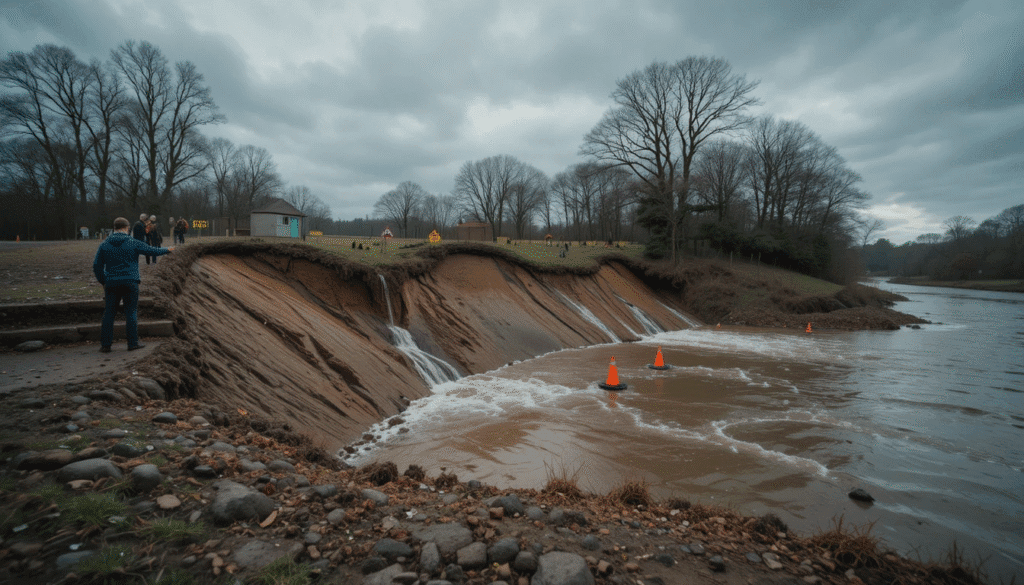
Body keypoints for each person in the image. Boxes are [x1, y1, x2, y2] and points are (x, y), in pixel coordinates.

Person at [93, 217, 173, 353]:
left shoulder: (104, 244)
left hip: (111, 282)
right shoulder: (132, 242)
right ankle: (132, 343)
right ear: (126, 228)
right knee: (131, 312)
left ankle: (105, 345)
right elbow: (151, 250)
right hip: (130, 282)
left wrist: (104, 281)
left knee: (109, 313)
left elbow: (97, 266)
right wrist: (167, 250)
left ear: (114, 228)